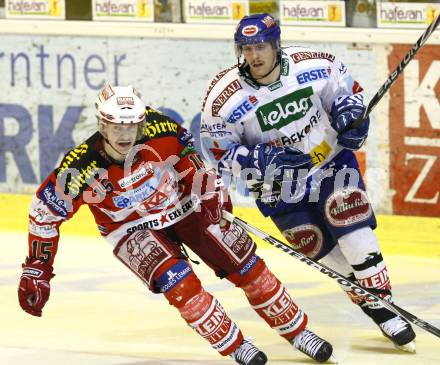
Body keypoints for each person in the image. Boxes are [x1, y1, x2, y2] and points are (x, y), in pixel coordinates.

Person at [18, 84, 336, 365]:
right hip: (130, 228)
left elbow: (191, 163)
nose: (126, 134)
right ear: (102, 124)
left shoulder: (162, 129)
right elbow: (43, 215)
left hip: (184, 205)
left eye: (133, 124)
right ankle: (236, 346)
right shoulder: (80, 167)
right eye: (117, 126)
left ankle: (299, 332)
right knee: (180, 283)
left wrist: (211, 192)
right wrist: (37, 269)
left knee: (248, 266)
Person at [200, 13, 416, 353]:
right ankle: (375, 307)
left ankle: (386, 307)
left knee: (353, 227)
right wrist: (257, 160)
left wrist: (350, 115)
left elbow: (349, 94)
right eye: (246, 48)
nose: (253, 56)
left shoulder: (313, 64)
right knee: (321, 250)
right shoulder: (222, 97)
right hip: (277, 187)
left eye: (260, 47)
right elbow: (218, 150)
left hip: (330, 163)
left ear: (275, 44)